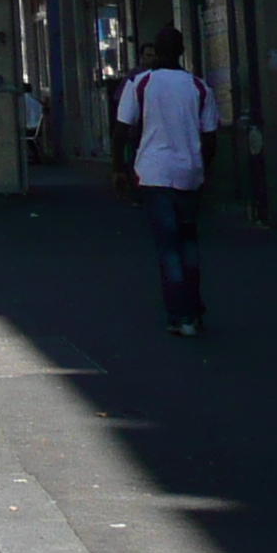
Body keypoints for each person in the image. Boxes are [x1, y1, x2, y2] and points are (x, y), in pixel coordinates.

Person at [115, 30, 216, 336]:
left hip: (154, 173)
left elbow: (122, 128)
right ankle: (194, 309)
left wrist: (119, 167)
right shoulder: (199, 87)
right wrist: (203, 171)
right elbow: (210, 137)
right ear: (182, 50)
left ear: (155, 52)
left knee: (167, 245)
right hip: (189, 173)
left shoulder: (141, 84)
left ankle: (179, 315)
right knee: (188, 242)